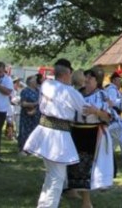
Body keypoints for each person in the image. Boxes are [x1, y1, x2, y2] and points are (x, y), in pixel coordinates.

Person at [23, 59, 91, 208]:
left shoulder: (47, 84)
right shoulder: (70, 92)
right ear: (67, 73)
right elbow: (86, 110)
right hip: (57, 135)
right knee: (57, 177)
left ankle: (44, 204)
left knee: (52, 174)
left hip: (45, 130)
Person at [66, 66, 114, 208]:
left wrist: (96, 111)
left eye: (90, 78)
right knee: (73, 164)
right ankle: (71, 190)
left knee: (85, 168)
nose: (86, 79)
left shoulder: (102, 96)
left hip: (92, 133)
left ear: (97, 81)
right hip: (76, 131)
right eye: (86, 76)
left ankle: (86, 202)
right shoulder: (77, 93)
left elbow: (109, 117)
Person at [17, 76, 41, 153]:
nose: (36, 81)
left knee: (35, 132)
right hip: (27, 115)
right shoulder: (25, 91)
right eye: (34, 80)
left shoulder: (38, 91)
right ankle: (23, 149)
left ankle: (33, 149)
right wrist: (35, 104)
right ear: (30, 82)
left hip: (37, 115)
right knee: (25, 131)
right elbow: (23, 103)